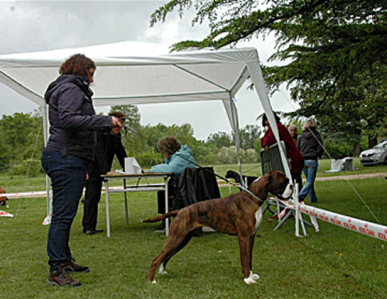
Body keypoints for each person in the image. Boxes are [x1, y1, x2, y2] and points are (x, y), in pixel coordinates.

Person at [41, 54, 123, 287]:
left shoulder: (68, 88)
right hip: (65, 156)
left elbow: (74, 123)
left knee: (64, 214)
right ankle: (56, 269)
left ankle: (64, 260)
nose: (93, 80)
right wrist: (106, 121)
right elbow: (69, 119)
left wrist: (82, 163)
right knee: (62, 216)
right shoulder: (71, 89)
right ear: (83, 70)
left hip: (69, 158)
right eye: (91, 73)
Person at [82, 111, 127, 235]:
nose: (119, 128)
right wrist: (106, 170)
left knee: (96, 196)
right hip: (92, 167)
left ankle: (91, 225)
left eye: (121, 125)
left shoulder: (116, 136)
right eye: (116, 125)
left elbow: (120, 152)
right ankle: (88, 226)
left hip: (102, 168)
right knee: (92, 196)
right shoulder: (99, 132)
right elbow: (98, 151)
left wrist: (129, 167)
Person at [260, 113, 304, 219]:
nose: (266, 123)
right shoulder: (272, 129)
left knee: (287, 187)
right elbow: (263, 140)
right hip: (288, 162)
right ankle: (285, 211)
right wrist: (264, 142)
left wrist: (266, 143)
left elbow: (269, 140)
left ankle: (288, 211)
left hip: (293, 161)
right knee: (285, 187)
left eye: (267, 120)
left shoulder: (278, 127)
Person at [150, 136, 196, 232]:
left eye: (163, 152)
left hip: (187, 187)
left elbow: (170, 169)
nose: (163, 154)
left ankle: (166, 220)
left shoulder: (181, 157)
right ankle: (166, 220)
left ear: (169, 150)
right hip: (183, 184)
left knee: (163, 193)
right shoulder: (179, 155)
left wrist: (152, 169)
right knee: (162, 192)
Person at [297, 119, 324, 203]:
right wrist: (318, 154)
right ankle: (300, 196)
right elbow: (320, 147)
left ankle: (313, 198)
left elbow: (298, 148)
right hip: (312, 159)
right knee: (310, 181)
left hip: (303, 160)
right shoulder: (316, 135)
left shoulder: (301, 136)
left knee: (309, 181)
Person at [288, 124, 303, 189]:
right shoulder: (287, 140)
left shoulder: (299, 139)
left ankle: (299, 192)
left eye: (294, 130)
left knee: (298, 178)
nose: (293, 132)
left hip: (297, 162)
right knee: (290, 178)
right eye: (291, 131)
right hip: (290, 161)